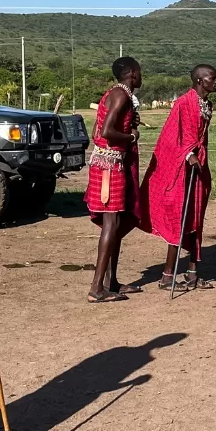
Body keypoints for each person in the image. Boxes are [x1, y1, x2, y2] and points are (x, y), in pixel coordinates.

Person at [138, 64, 216, 289]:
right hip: (180, 170)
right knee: (179, 219)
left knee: (196, 217)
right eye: (212, 78)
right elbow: (171, 136)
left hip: (199, 168)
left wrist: (198, 157)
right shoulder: (183, 103)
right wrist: (188, 154)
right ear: (200, 81)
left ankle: (192, 272)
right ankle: (166, 276)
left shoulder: (207, 104)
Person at [86, 56, 144, 303]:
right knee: (111, 224)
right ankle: (97, 288)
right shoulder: (120, 95)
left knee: (116, 223)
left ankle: (111, 281)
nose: (142, 76)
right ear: (131, 73)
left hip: (110, 163)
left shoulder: (116, 94)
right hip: (109, 166)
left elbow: (95, 132)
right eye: (140, 72)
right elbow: (105, 132)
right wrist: (130, 136)